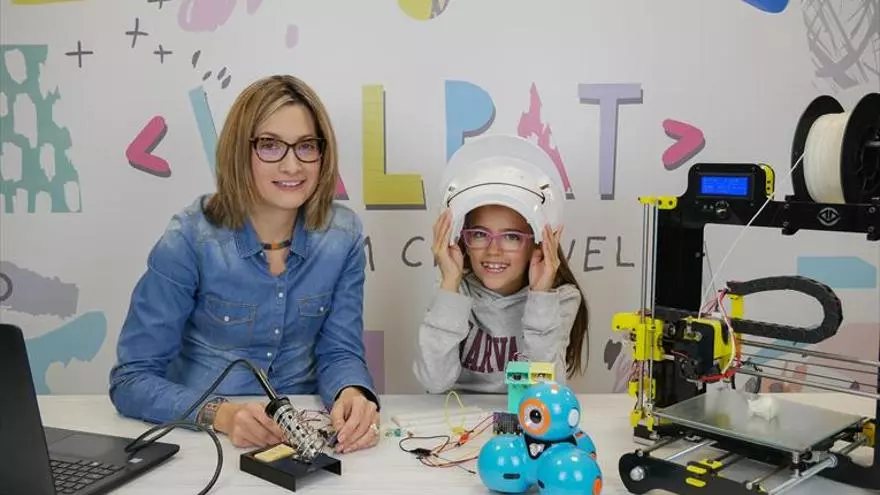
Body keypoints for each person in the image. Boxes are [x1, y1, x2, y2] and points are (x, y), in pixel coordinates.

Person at [109, 75, 379, 454]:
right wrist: (221, 415)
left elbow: (339, 351)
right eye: (270, 146)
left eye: (306, 146)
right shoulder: (189, 238)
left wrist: (351, 391)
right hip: (204, 441)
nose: (292, 165)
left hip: (306, 437)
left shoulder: (343, 235)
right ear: (240, 152)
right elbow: (131, 379)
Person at [413, 202, 590, 394]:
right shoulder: (452, 290)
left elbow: (546, 390)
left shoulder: (561, 298)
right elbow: (434, 382)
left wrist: (540, 297)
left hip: (525, 410)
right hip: (458, 411)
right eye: (480, 234)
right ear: (465, 240)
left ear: (538, 244)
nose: (493, 250)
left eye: (511, 237)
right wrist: (449, 285)